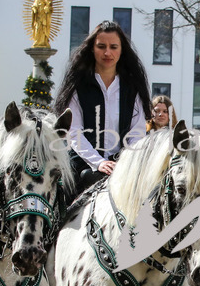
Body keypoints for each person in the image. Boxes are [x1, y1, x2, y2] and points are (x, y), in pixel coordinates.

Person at [54, 21, 150, 191]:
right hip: (82, 167)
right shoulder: (78, 86)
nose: (107, 52)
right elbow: (74, 132)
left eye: (113, 47)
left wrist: (125, 162)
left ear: (122, 50)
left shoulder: (132, 88)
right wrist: (98, 162)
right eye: (101, 46)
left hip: (122, 167)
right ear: (92, 48)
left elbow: (137, 132)